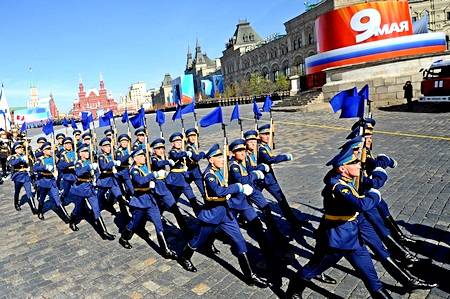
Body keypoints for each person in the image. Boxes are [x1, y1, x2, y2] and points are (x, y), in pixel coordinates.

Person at [286, 147, 390, 298]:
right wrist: (374, 193)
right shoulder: (338, 187)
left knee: (371, 277)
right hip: (336, 241)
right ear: (342, 168)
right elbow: (362, 205)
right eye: (354, 163)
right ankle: (293, 292)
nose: (359, 165)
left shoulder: (344, 179)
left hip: (353, 238)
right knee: (313, 269)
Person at [178, 144, 270, 288]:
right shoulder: (209, 175)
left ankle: (250, 276)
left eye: (222, 156)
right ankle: (184, 257)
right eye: (218, 157)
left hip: (226, 215)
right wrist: (238, 187)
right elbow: (219, 191)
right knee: (197, 240)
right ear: (210, 160)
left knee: (240, 241)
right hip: (212, 216)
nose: (221, 159)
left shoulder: (221, 170)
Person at [118, 148, 178, 260]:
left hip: (150, 200)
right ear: (135, 159)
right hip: (140, 201)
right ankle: (124, 238)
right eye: (140, 156)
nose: (143, 158)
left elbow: (150, 178)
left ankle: (165, 250)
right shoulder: (134, 170)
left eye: (143, 156)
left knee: (158, 223)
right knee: (134, 222)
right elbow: (140, 181)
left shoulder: (145, 167)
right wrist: (153, 175)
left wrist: (158, 178)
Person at [256, 124, 308, 229]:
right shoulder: (260, 149)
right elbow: (270, 159)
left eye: (269, 134)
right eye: (265, 134)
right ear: (259, 136)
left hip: (270, 179)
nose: (267, 136)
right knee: (248, 199)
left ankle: (293, 221)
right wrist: (285, 157)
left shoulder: (265, 146)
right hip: (260, 180)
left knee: (281, 200)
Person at [68, 144, 115, 240]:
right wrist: (89, 167)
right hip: (81, 189)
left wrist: (96, 181)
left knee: (96, 209)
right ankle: (72, 221)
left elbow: (97, 172)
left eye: (87, 151)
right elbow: (78, 172)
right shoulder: (78, 163)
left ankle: (104, 232)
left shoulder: (90, 161)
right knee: (78, 208)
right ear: (80, 154)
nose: (87, 153)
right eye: (84, 152)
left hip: (90, 188)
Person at [150, 138, 192, 236]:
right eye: (158, 149)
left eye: (162, 148)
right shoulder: (153, 158)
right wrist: (167, 162)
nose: (161, 150)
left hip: (164, 185)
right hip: (158, 186)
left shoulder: (161, 157)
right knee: (167, 206)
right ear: (154, 150)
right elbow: (157, 164)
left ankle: (185, 230)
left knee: (171, 207)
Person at [33, 142, 72, 225]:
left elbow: (61, 165)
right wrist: (44, 167)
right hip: (43, 181)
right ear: (43, 151)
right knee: (42, 198)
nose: (49, 150)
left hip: (52, 181)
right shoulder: (40, 159)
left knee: (57, 199)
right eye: (47, 149)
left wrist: (72, 163)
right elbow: (35, 168)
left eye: (50, 148)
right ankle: (40, 211)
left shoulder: (54, 158)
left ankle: (66, 217)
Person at [166, 132, 201, 215]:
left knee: (192, 197)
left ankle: (199, 215)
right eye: (177, 142)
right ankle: (161, 210)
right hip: (174, 180)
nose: (179, 143)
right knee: (172, 200)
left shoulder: (182, 150)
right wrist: (186, 153)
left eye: (180, 142)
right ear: (173, 143)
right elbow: (176, 156)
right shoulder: (172, 152)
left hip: (183, 179)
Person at [97, 137, 125, 215]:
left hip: (112, 180)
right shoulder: (101, 157)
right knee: (99, 196)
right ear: (102, 148)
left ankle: (125, 214)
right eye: (105, 146)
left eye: (109, 146)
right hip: (104, 180)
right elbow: (103, 167)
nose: (108, 148)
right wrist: (113, 163)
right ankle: (97, 212)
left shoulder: (112, 154)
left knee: (119, 197)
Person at [8, 142, 38, 214]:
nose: (20, 149)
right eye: (18, 148)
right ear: (15, 150)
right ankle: (16, 203)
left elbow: (31, 163)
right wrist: (21, 159)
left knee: (29, 191)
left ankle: (33, 208)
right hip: (18, 176)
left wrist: (28, 159)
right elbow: (12, 163)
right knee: (17, 191)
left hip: (25, 176)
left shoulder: (26, 155)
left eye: (21, 148)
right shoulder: (13, 157)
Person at [185, 128, 206, 198]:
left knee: (183, 186)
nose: (193, 138)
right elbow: (196, 158)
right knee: (203, 188)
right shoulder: (189, 147)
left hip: (193, 169)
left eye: (194, 136)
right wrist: (202, 154)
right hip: (192, 170)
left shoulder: (193, 145)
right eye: (190, 136)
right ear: (187, 137)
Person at [58, 137, 77, 202]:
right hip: (67, 176)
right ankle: (62, 197)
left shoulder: (76, 153)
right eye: (66, 144)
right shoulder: (63, 155)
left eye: (70, 144)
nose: (68, 145)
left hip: (76, 175)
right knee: (66, 191)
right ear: (64, 145)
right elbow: (62, 165)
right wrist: (72, 164)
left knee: (79, 192)